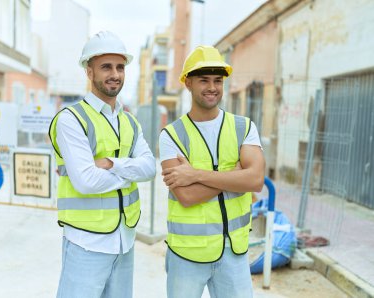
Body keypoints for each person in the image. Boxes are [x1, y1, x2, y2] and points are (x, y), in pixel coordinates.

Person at [49, 31, 156, 298]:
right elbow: (86, 182)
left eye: (120, 67)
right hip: (87, 242)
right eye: (106, 66)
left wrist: (110, 163)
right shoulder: (71, 120)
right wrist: (130, 170)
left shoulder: (130, 122)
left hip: (124, 240)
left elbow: (150, 168)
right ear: (89, 71)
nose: (115, 74)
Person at [159, 45, 265, 298]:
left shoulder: (243, 127)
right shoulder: (172, 135)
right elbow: (187, 197)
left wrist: (195, 174)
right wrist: (236, 176)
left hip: (234, 252)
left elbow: (256, 180)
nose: (212, 87)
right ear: (188, 83)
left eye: (218, 80)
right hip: (187, 254)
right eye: (204, 80)